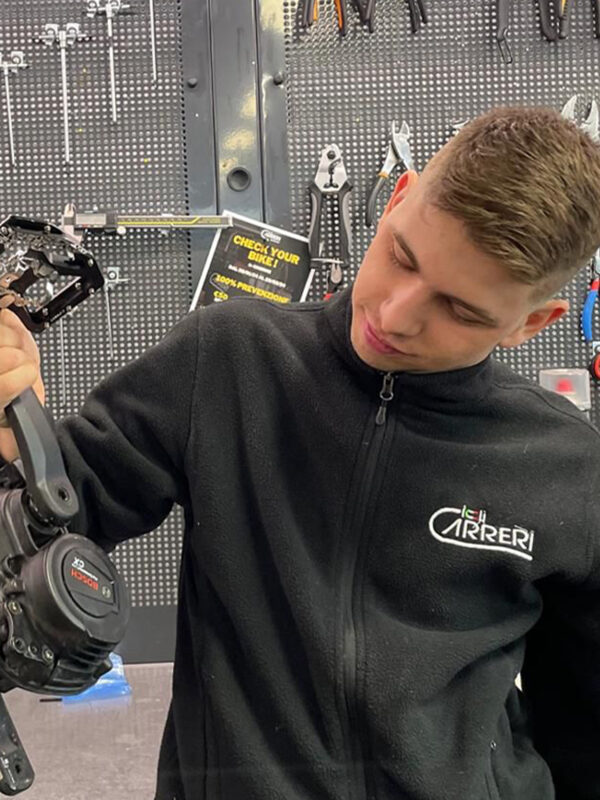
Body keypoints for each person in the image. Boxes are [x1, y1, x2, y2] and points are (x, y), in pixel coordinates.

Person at [0, 105, 599, 800]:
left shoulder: (568, 467)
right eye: (401, 256)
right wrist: (14, 444)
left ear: (531, 322)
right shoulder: (226, 359)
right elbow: (43, 526)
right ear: (396, 200)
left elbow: (585, 733)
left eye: (460, 309)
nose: (395, 315)